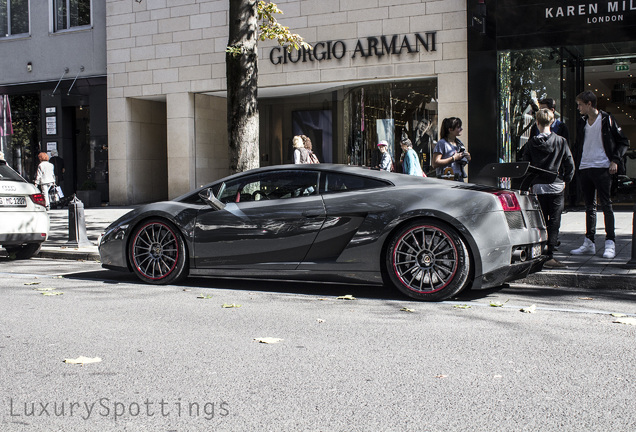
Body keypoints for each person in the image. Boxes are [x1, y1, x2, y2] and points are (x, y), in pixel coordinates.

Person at [570, 91, 629, 259]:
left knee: (606, 205)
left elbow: (623, 141)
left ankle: (610, 242)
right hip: (585, 167)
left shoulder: (607, 119)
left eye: (580, 104)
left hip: (603, 167)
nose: (578, 108)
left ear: (589, 104)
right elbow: (579, 144)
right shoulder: (581, 122)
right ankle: (589, 243)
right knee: (589, 206)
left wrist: (615, 160)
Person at [521, 108, 575, 268]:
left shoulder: (531, 144)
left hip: (538, 187)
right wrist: (566, 180)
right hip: (556, 185)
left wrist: (530, 184)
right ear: (552, 122)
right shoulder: (561, 141)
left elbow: (526, 166)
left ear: (537, 122)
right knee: (555, 222)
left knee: (541, 222)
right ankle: (550, 254)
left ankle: (540, 253)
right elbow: (569, 164)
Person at [432, 117, 470, 181]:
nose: (461, 129)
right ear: (450, 129)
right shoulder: (442, 143)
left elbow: (459, 163)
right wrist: (453, 158)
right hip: (447, 179)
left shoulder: (459, 143)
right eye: (458, 127)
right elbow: (435, 163)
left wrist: (467, 158)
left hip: (459, 178)